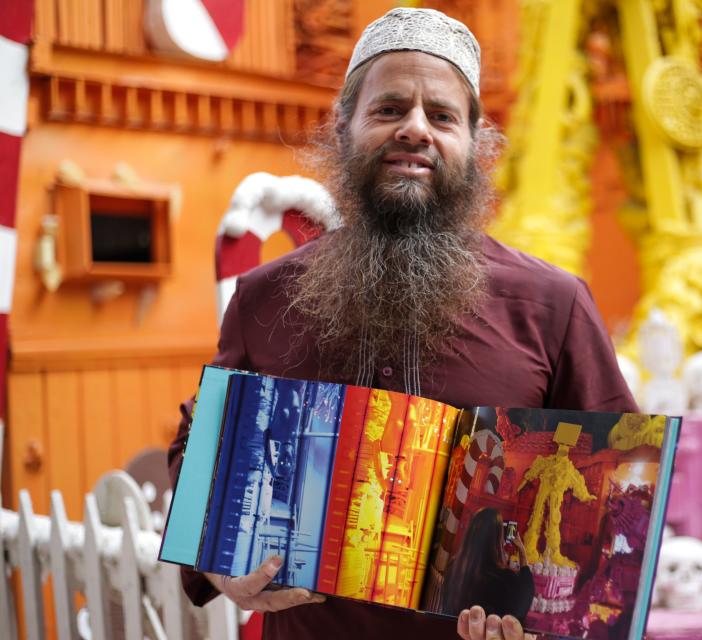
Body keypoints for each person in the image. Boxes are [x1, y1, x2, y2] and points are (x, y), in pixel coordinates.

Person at [166, 7, 638, 640]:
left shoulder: (552, 305)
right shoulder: (264, 298)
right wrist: (220, 567)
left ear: (477, 145)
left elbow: (622, 486)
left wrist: (550, 624)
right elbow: (201, 445)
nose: (415, 129)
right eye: (388, 109)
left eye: (442, 116)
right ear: (344, 130)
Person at [440, 509, 534, 621]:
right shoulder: (504, 578)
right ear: (498, 538)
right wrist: (522, 554)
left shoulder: (454, 567)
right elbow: (521, 605)